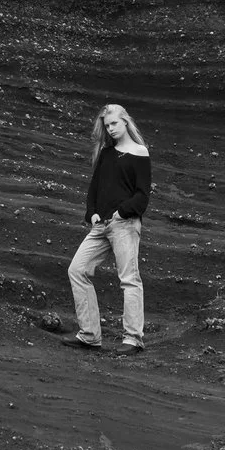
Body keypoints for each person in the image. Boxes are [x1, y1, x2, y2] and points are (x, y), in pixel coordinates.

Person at [66, 103, 152, 353]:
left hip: (124, 224)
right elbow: (94, 188)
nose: (111, 129)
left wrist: (121, 212)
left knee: (129, 279)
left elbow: (142, 196)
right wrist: (91, 213)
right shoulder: (105, 153)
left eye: (114, 123)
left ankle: (133, 339)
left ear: (126, 121)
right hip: (100, 225)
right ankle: (90, 335)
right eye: (107, 126)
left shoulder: (140, 152)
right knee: (77, 270)